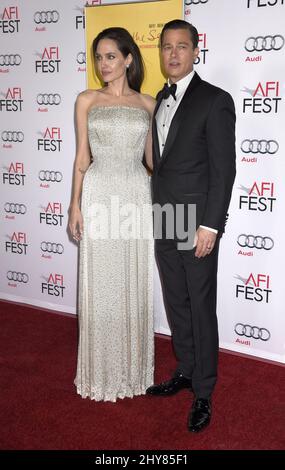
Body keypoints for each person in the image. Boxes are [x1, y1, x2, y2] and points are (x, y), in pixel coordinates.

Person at [146, 20, 236, 432]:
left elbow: (223, 170)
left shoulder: (215, 100)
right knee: (176, 300)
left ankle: (204, 390)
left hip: (196, 222)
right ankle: (185, 369)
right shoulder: (158, 100)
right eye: (167, 47)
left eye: (182, 46)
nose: (174, 54)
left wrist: (210, 226)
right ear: (160, 52)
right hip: (164, 217)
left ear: (196, 51)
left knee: (200, 307)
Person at [68, 27, 156, 402]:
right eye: (99, 57)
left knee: (130, 276)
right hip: (99, 192)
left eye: (111, 56)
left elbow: (152, 161)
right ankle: (101, 370)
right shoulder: (86, 99)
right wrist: (75, 204)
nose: (103, 64)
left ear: (128, 59)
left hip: (136, 194)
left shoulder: (150, 104)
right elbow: (82, 158)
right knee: (101, 280)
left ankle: (133, 369)